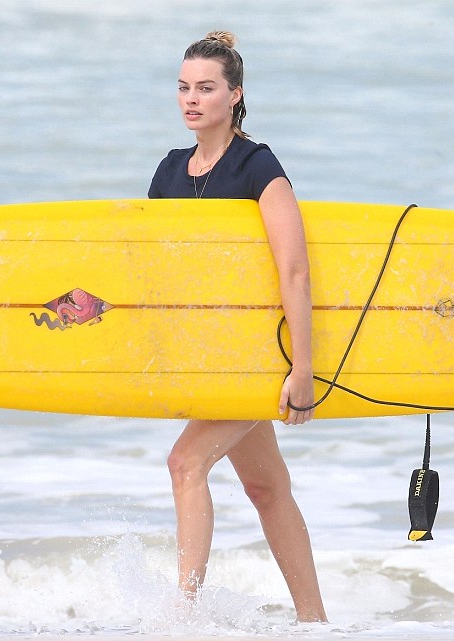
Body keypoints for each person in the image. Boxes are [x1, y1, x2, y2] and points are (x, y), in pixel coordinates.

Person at [148, 31, 327, 623]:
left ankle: (184, 616)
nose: (191, 99)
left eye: (206, 88)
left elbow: (295, 271)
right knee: (267, 489)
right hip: (209, 357)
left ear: (235, 95)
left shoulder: (258, 167)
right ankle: (315, 623)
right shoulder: (170, 172)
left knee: (185, 463)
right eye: (183, 87)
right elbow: (153, 274)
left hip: (259, 354)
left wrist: (303, 370)